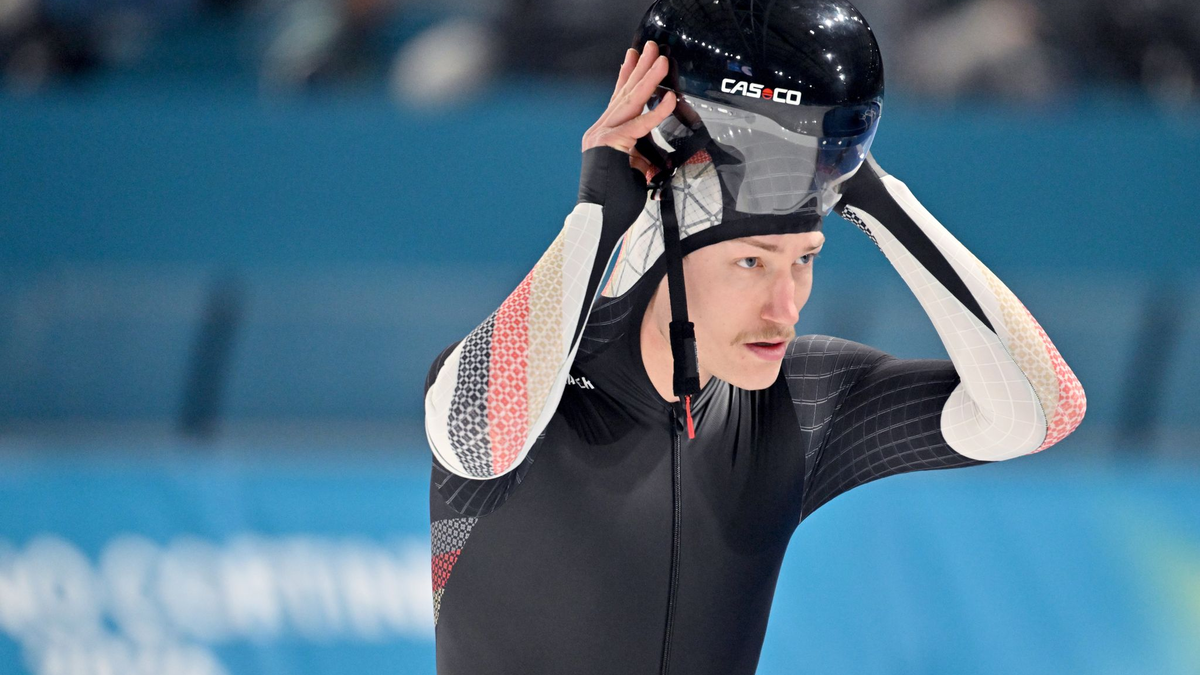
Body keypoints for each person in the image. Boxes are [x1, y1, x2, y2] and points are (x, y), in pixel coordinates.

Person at [423, 1, 1086, 673]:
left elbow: (1038, 410)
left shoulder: (801, 405)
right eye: (752, 262)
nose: (786, 304)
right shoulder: (527, 388)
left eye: (805, 259)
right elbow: (479, 439)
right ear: (665, 245)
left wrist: (866, 185)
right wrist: (599, 212)